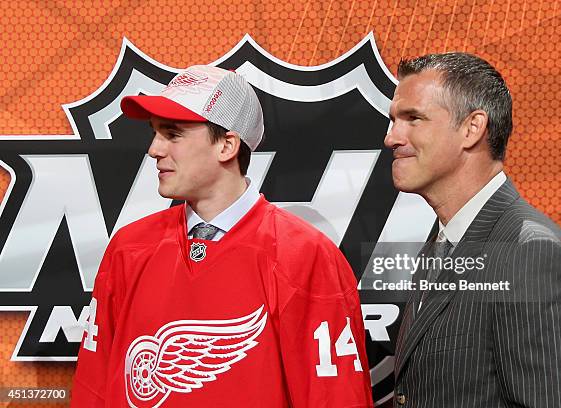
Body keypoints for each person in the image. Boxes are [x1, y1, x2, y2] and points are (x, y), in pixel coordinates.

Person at [71, 65, 373, 407]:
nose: (154, 150)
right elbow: (93, 388)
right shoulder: (129, 247)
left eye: (172, 134)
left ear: (227, 145)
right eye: (155, 133)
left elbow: (335, 398)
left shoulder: (304, 254)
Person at [386, 53, 561, 407]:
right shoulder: (440, 243)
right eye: (393, 120)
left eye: (413, 119)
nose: (392, 138)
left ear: (472, 128)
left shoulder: (531, 253)